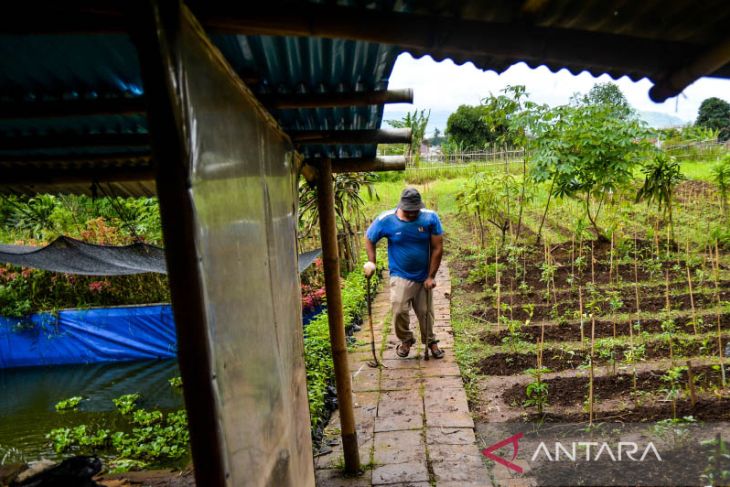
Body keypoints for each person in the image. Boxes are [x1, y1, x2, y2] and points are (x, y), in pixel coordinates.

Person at [363, 187, 445, 359]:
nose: (413, 214)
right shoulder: (386, 220)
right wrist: (372, 261)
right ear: (401, 205)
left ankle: (431, 341)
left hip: (423, 275)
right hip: (400, 274)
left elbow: (438, 248)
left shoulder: (430, 217)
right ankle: (406, 339)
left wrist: (431, 276)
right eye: (409, 211)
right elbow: (369, 237)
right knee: (399, 308)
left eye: (416, 211)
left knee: (425, 311)